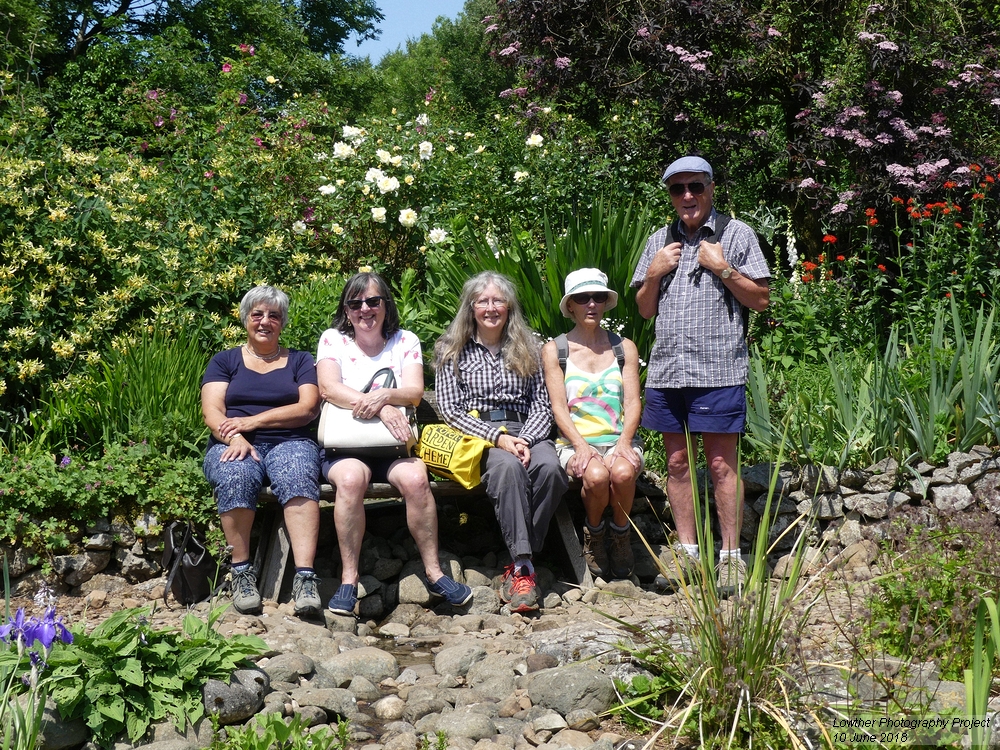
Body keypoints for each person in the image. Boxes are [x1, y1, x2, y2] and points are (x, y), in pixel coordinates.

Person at [631, 155, 770, 596]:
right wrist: (652, 275)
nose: (687, 196)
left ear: (711, 188)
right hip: (669, 370)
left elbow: (762, 300)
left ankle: (730, 557)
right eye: (678, 189)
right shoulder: (659, 239)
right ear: (671, 196)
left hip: (719, 369)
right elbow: (644, 309)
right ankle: (688, 553)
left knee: (721, 465)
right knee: (675, 463)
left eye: (695, 187)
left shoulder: (737, 234)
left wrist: (723, 268)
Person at [316, 271, 472, 616]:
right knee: (351, 480)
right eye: (355, 303)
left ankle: (433, 572)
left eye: (373, 301)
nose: (364, 310)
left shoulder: (405, 341)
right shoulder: (332, 340)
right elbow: (328, 388)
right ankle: (348, 578)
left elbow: (414, 393)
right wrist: (382, 406)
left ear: (386, 304)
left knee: (417, 480)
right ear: (346, 309)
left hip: (394, 447)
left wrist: (386, 396)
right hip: (346, 447)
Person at [434, 271, 569, 613]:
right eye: (483, 301)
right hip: (478, 435)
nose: (491, 308)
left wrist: (523, 438)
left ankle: (516, 557)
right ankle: (524, 566)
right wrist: (499, 438)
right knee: (508, 468)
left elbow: (542, 404)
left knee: (551, 467)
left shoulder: (530, 347)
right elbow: (451, 411)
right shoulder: (451, 350)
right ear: (471, 307)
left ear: (509, 307)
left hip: (527, 430)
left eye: (498, 300)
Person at [201, 285, 323, 617]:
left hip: (291, 440)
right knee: (234, 474)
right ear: (245, 320)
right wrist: (234, 437)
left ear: (282, 322)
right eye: (257, 314)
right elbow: (212, 411)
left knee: (298, 475)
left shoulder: (300, 360)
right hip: (234, 441)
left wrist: (251, 422)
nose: (265, 321)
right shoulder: (224, 360)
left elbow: (307, 407)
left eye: (274, 315)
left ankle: (306, 579)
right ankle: (241, 573)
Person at [542, 269, 643, 581]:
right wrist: (582, 447)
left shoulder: (623, 348)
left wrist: (625, 443)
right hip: (575, 443)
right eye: (582, 298)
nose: (591, 304)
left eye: (598, 297)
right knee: (597, 476)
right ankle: (595, 532)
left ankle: (621, 534)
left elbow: (632, 402)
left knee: (623, 471)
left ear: (605, 303)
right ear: (570, 305)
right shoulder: (555, 350)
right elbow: (558, 406)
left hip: (618, 438)